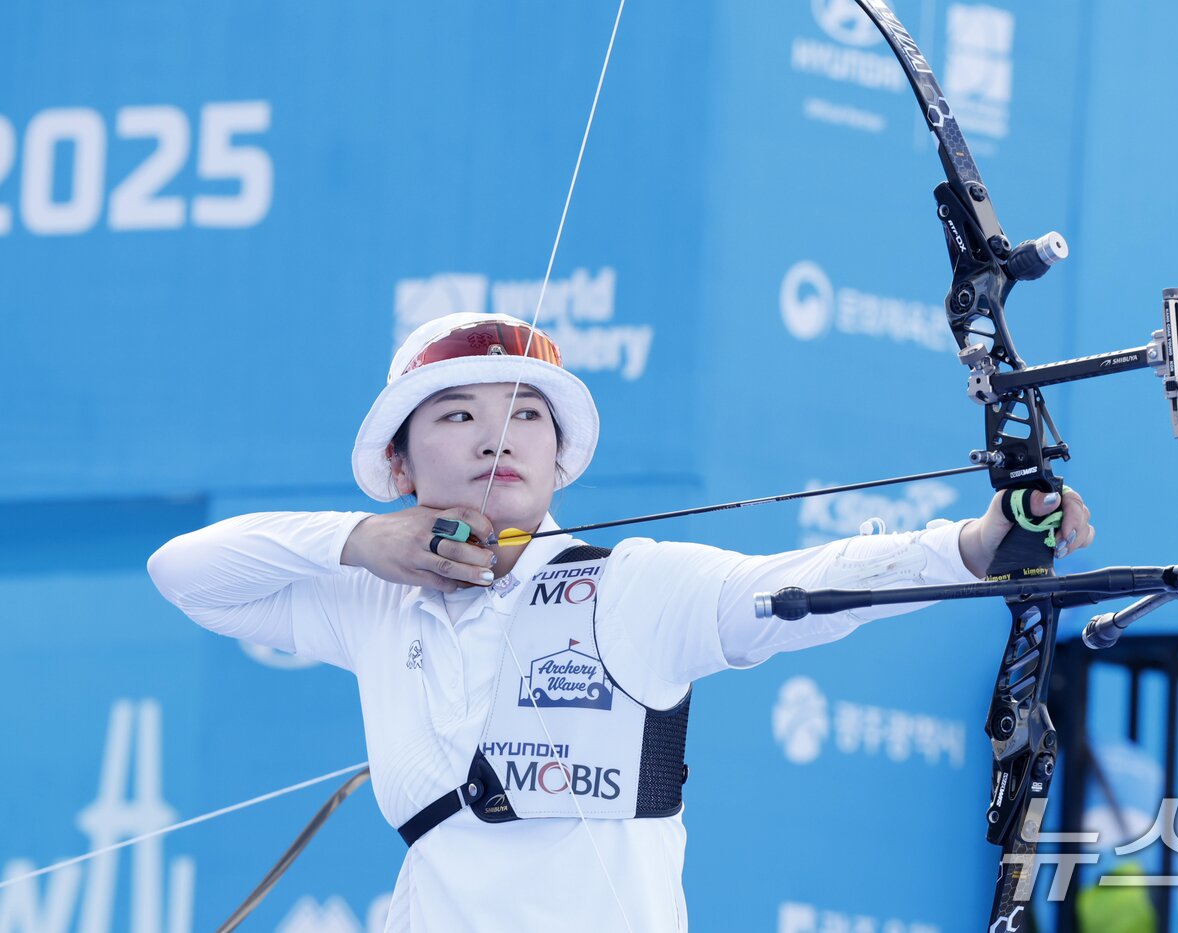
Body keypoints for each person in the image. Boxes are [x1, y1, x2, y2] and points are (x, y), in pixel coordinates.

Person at [147, 311, 1093, 932]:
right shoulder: (375, 601)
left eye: (526, 415)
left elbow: (795, 588)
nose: (496, 435)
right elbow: (185, 572)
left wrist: (973, 546)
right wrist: (365, 540)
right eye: (457, 416)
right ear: (400, 464)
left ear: (559, 457)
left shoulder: (630, 588)